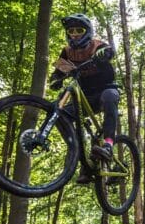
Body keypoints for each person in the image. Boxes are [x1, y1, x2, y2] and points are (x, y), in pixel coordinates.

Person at [48, 13, 118, 184]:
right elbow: (58, 72)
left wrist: (104, 54)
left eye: (79, 30)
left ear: (87, 31)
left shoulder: (96, 45)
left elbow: (109, 52)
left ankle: (108, 145)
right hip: (83, 98)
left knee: (110, 96)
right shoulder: (67, 51)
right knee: (59, 114)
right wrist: (56, 80)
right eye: (71, 30)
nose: (75, 34)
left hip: (104, 91)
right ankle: (79, 152)